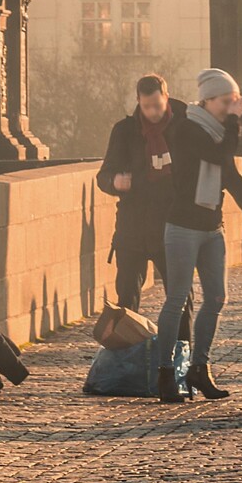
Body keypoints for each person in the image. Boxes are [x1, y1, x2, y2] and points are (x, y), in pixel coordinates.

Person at [153, 69, 242, 403]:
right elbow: (221, 154)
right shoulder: (186, 129)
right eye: (225, 101)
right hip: (183, 227)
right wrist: (236, 121)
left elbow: (235, 182)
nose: (230, 107)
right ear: (208, 100)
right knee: (177, 300)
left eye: (232, 102)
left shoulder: (216, 134)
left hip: (212, 229)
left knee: (216, 299)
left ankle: (200, 368)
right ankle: (165, 373)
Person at [96, 74, 189, 315]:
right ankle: (130, 352)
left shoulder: (184, 127)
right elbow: (103, 176)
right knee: (127, 300)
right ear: (138, 101)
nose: (152, 112)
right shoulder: (125, 131)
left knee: (180, 298)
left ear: (166, 98)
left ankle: (181, 350)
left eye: (157, 105)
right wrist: (115, 181)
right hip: (132, 229)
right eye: (146, 106)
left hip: (172, 226)